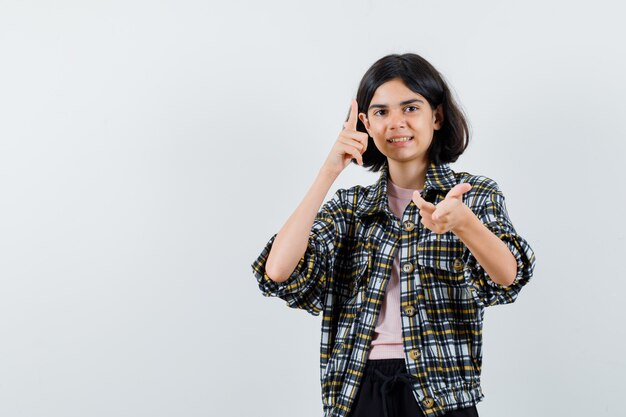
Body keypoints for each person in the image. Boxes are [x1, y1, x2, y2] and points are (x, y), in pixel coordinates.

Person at [250, 53, 536, 417]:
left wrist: (464, 224)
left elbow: (508, 277)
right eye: (382, 112)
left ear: (436, 115)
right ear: (365, 124)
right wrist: (328, 171)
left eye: (410, 108)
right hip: (359, 389)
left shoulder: (472, 194)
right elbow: (278, 271)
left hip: (442, 393)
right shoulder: (350, 208)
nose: (396, 123)